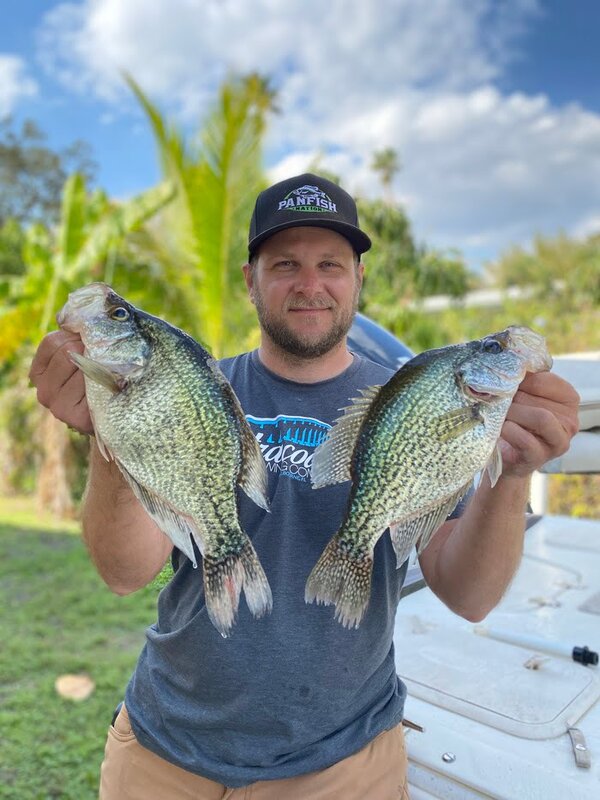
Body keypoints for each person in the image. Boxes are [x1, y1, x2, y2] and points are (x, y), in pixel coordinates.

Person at [29, 173, 579, 799]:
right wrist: (113, 438)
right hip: (165, 750)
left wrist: (511, 474)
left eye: (331, 264)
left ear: (358, 280)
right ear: (250, 280)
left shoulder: (409, 402)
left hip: (341, 763)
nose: (310, 284)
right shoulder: (200, 386)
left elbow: (471, 598)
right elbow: (125, 573)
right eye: (285, 263)